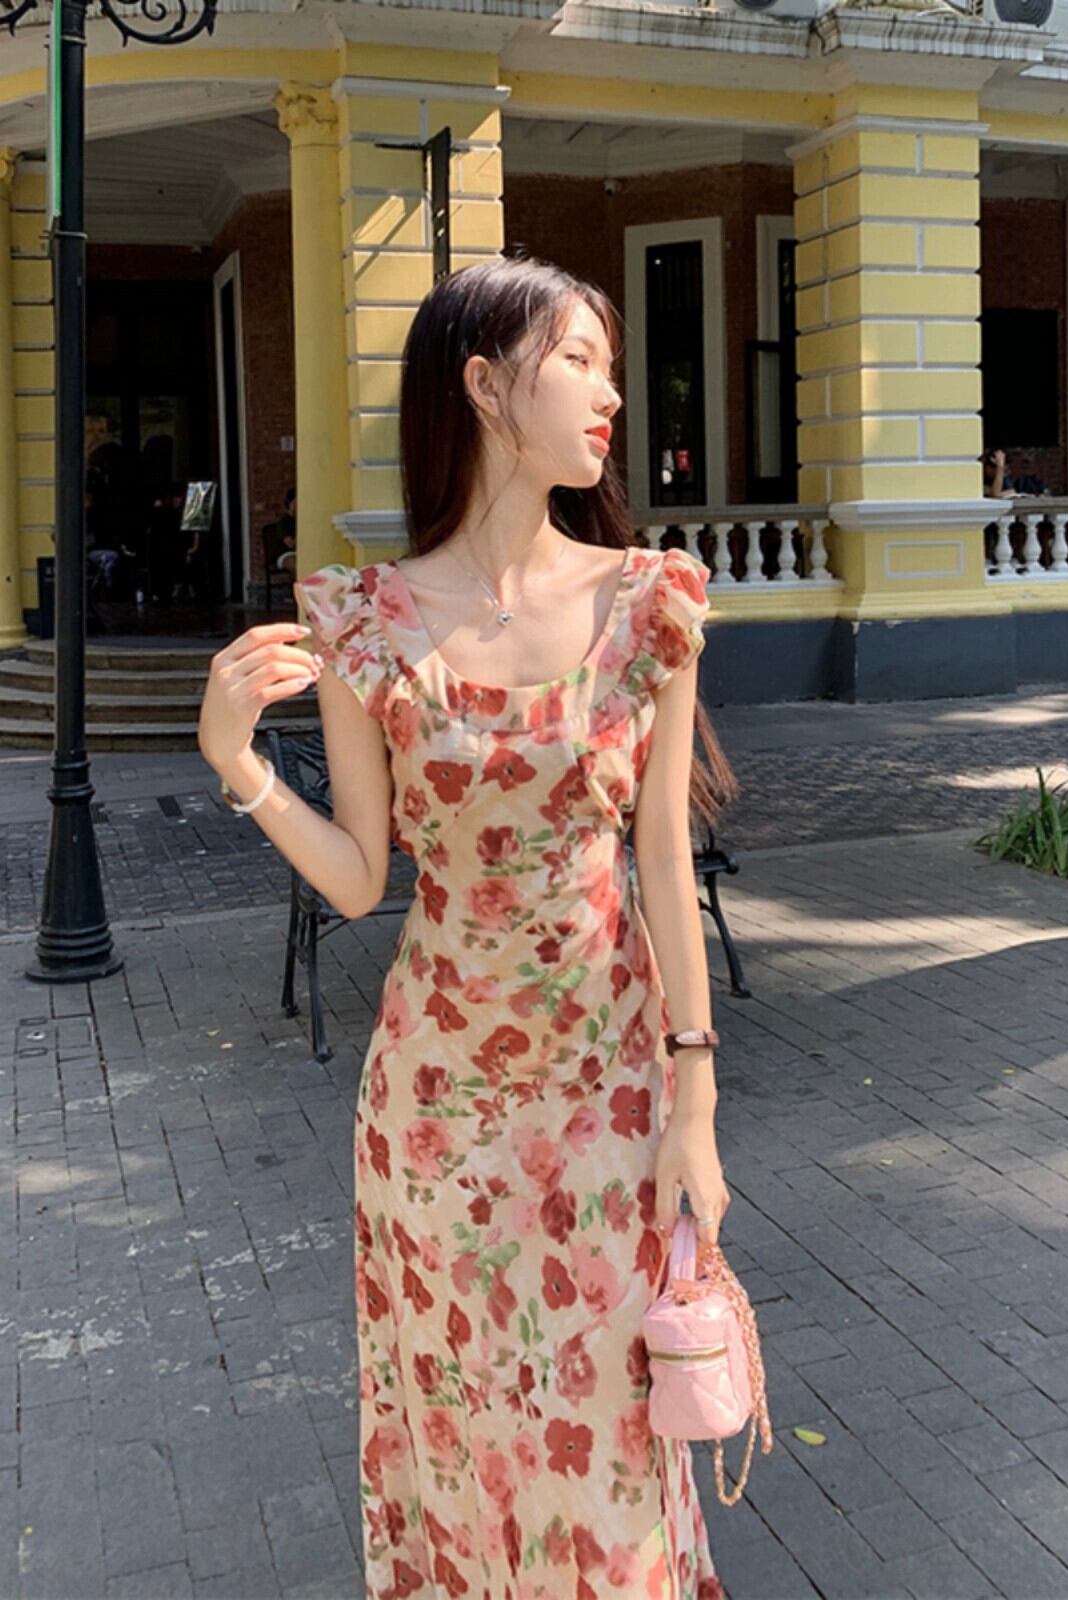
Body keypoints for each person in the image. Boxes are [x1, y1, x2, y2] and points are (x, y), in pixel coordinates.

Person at [198, 255, 739, 1600]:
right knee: (460, 1442)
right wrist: (240, 765)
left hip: (610, 1096)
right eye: (580, 362)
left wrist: (695, 1100)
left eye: (611, 366)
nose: (612, 395)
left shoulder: (649, 602)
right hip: (435, 1117)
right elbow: (359, 878)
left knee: (611, 1455)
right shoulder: (368, 625)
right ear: (487, 387)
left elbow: (661, 860)